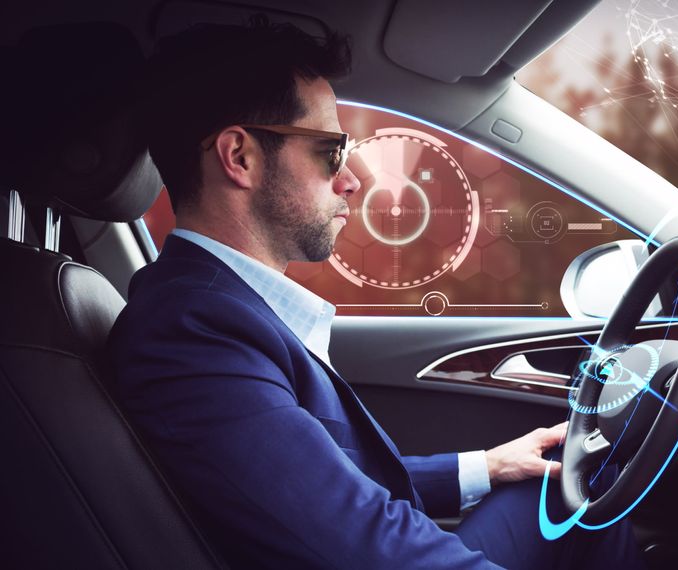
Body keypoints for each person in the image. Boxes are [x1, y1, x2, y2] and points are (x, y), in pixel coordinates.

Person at [106, 20, 643, 569]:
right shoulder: (191, 332)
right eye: (330, 151)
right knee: (588, 493)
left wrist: (488, 465)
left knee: (569, 484)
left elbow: (324, 483)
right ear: (239, 157)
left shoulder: (212, 307)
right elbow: (362, 548)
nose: (351, 180)